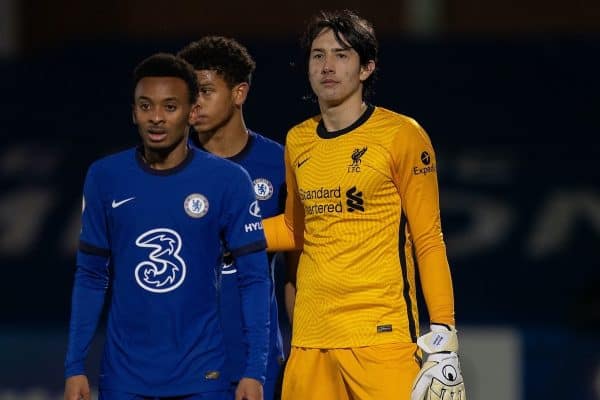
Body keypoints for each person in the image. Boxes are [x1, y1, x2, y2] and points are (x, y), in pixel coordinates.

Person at [262, 10, 466, 400]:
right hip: (310, 339)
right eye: (318, 55)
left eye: (341, 55)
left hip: (381, 336)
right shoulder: (298, 140)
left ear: (366, 67)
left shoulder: (402, 135)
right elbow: (294, 229)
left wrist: (443, 332)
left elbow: (428, 238)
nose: (327, 66)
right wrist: (231, 233)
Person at [63, 53, 270, 400]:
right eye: (146, 106)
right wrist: (74, 366)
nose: (156, 118)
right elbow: (91, 276)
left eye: (170, 107)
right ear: (133, 112)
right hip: (123, 378)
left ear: (191, 113)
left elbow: (254, 278)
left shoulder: (228, 180)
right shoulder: (105, 177)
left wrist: (254, 369)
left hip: (203, 376)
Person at [177, 36, 299, 400]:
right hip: (182, 362)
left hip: (255, 365)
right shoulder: (167, 167)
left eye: (205, 91)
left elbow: (296, 271)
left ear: (239, 93)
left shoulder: (279, 166)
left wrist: (306, 347)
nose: (193, 104)